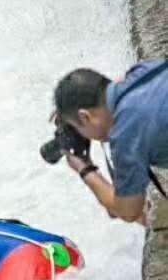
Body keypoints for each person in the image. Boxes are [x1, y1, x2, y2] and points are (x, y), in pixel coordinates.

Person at [49, 59, 168, 223]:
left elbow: (129, 211)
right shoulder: (142, 69)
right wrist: (70, 108)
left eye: (77, 127)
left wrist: (84, 169)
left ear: (85, 116)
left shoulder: (124, 135)